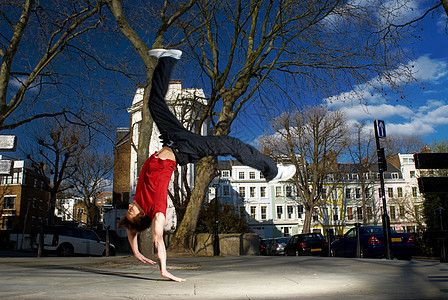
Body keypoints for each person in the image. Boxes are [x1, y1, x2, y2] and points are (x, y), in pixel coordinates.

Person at [119, 49, 295, 282]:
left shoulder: (139, 202)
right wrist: (163, 269)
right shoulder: (156, 211)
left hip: (172, 137)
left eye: (128, 209)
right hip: (186, 149)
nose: (130, 206)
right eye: (132, 211)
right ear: (142, 216)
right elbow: (158, 239)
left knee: (153, 104)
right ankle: (273, 172)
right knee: (230, 145)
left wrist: (135, 251)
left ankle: (168, 59)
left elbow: (131, 233)